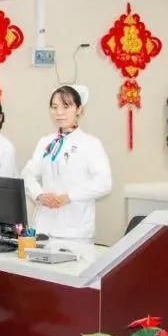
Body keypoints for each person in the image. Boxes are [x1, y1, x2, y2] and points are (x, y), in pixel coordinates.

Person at [22, 85, 112, 242]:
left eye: (66, 106)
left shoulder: (90, 143)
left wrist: (69, 196)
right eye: (54, 107)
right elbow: (27, 174)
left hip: (75, 232)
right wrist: (39, 195)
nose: (59, 112)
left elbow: (104, 183)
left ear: (79, 109)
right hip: (43, 228)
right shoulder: (45, 142)